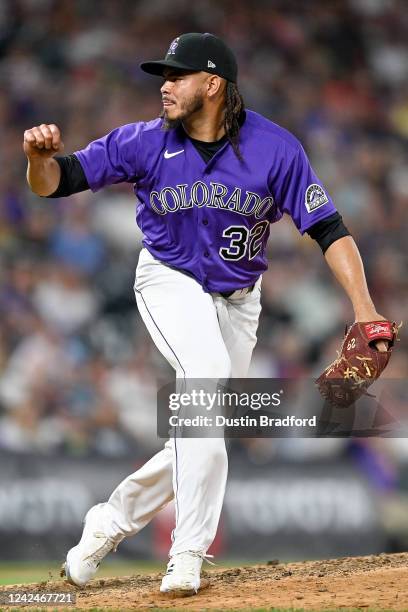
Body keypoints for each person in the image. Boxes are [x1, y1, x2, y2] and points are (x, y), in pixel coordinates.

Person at [23, 32, 388, 596]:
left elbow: (328, 229)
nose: (164, 86)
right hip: (169, 280)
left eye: (177, 75)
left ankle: (106, 524)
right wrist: (36, 161)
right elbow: (57, 182)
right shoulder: (143, 141)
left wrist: (365, 311)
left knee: (203, 426)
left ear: (213, 84)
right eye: (163, 76)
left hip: (240, 301)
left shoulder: (276, 148)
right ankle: (188, 553)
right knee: (206, 398)